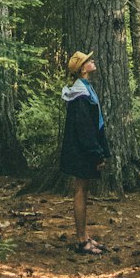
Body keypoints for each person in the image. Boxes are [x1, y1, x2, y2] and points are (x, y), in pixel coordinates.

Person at [60, 49, 110, 254]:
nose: (92, 61)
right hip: (81, 150)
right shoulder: (80, 95)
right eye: (89, 61)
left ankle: (85, 235)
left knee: (83, 190)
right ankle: (81, 240)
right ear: (83, 69)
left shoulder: (85, 89)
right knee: (80, 191)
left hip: (84, 149)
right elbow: (84, 127)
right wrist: (95, 153)